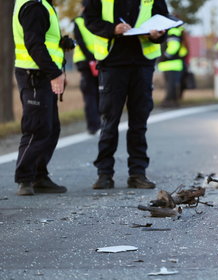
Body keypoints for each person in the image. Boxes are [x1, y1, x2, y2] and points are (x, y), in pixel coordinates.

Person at [84, 0, 169, 190]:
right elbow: (89, 20)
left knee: (139, 122)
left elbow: (164, 22)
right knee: (109, 121)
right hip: (113, 63)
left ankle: (137, 174)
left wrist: (158, 35)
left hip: (142, 65)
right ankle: (104, 174)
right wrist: (113, 29)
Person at [12, 0, 74, 195]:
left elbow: (42, 39)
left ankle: (39, 175)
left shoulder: (43, 4)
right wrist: (55, 73)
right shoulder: (35, 6)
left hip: (40, 73)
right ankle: (25, 178)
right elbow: (34, 44)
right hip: (35, 75)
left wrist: (61, 44)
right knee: (36, 128)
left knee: (51, 127)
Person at [73, 0, 101, 135]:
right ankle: (99, 124)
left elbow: (80, 42)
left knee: (90, 94)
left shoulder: (78, 21)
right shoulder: (100, 19)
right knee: (98, 93)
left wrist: (91, 58)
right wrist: (94, 58)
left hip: (85, 60)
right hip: (97, 59)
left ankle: (93, 126)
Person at [158, 25, 188, 108]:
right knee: (172, 85)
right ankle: (173, 101)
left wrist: (164, 56)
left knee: (171, 85)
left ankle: (169, 101)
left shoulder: (173, 31)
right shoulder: (177, 31)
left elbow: (174, 46)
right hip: (173, 64)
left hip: (171, 63)